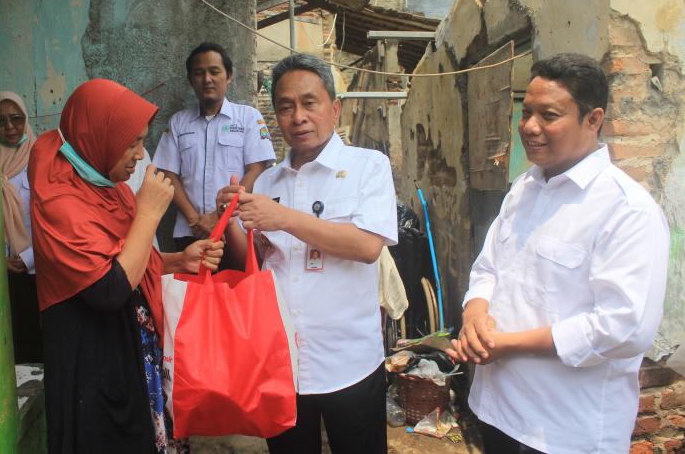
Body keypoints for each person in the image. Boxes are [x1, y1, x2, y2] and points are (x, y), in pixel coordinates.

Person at [446, 53, 669, 453]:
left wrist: (508, 344)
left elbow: (624, 328)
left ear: (593, 119)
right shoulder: (523, 190)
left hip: (565, 429)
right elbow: (489, 268)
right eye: (526, 111)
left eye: (549, 115)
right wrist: (475, 314)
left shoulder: (626, 210)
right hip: (497, 409)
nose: (530, 127)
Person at [29, 79, 223, 454]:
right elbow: (108, 287)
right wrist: (149, 213)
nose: (140, 154)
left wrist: (180, 260)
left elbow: (127, 258)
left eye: (142, 140)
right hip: (93, 358)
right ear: (96, 137)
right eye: (130, 142)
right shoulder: (60, 200)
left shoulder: (103, 182)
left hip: (131, 347)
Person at [217, 54, 398, 454]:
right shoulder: (266, 181)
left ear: (334, 109)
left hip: (349, 361)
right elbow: (257, 261)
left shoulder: (368, 166)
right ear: (276, 117)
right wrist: (230, 219)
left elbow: (368, 246)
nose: (298, 116)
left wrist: (281, 217)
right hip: (280, 363)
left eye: (309, 103)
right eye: (285, 106)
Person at [152, 42, 276, 252]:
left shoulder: (248, 118)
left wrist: (219, 215)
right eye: (199, 73)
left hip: (235, 231)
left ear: (229, 77)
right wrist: (194, 219)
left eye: (214, 71)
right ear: (191, 80)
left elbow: (257, 170)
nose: (207, 79)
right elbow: (167, 173)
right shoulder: (178, 123)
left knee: (236, 284)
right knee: (190, 285)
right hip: (190, 233)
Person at [0, 91, 42, 363]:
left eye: (16, 118)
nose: (10, 127)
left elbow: (51, 221)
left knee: (33, 343)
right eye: (1, 121)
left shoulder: (40, 161)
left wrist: (27, 259)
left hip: (35, 269)